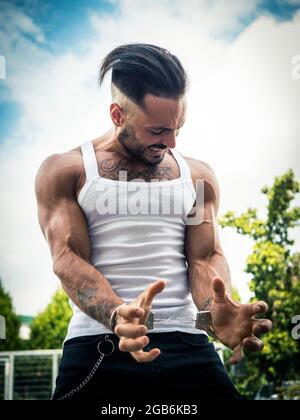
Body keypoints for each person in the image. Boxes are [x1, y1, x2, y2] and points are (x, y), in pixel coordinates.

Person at [35, 43, 272, 402]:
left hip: (188, 343)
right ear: (118, 115)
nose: (172, 141)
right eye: (158, 130)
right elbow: (68, 258)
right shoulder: (67, 170)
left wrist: (214, 310)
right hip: (98, 345)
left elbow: (204, 258)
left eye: (178, 127)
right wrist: (118, 314)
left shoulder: (197, 177)